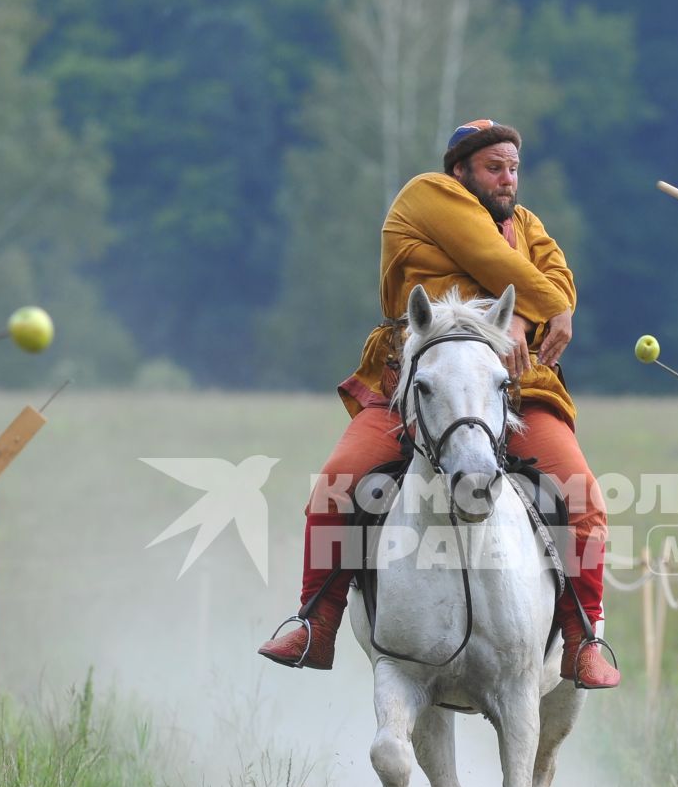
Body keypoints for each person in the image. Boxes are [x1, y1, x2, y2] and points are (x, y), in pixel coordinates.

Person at [256, 119, 620, 688]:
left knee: (585, 499)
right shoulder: (428, 195)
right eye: (494, 167)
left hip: (513, 388)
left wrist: (528, 313)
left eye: (513, 168)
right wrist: (551, 306)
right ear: (460, 171)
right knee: (335, 484)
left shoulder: (525, 223)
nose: (507, 179)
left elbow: (556, 273)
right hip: (414, 385)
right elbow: (505, 267)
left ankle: (581, 640)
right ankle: (316, 622)